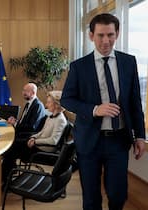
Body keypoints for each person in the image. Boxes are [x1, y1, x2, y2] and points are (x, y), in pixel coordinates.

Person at [60, 13, 146, 210]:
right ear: (91, 36)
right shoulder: (78, 66)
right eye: (100, 35)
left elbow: (135, 102)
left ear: (117, 34)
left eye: (110, 35)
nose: (106, 41)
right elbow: (67, 99)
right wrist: (94, 109)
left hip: (118, 140)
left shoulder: (128, 62)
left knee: (118, 194)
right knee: (90, 198)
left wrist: (140, 136)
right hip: (89, 140)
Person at [2, 82, 46, 184]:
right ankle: (9, 170)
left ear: (33, 92)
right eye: (23, 90)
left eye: (25, 91)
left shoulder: (38, 106)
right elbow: (24, 122)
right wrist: (15, 121)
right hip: (23, 134)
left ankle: (6, 179)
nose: (23, 93)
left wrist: (16, 124)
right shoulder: (29, 104)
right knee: (7, 143)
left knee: (9, 147)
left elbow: (32, 127)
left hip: (29, 139)